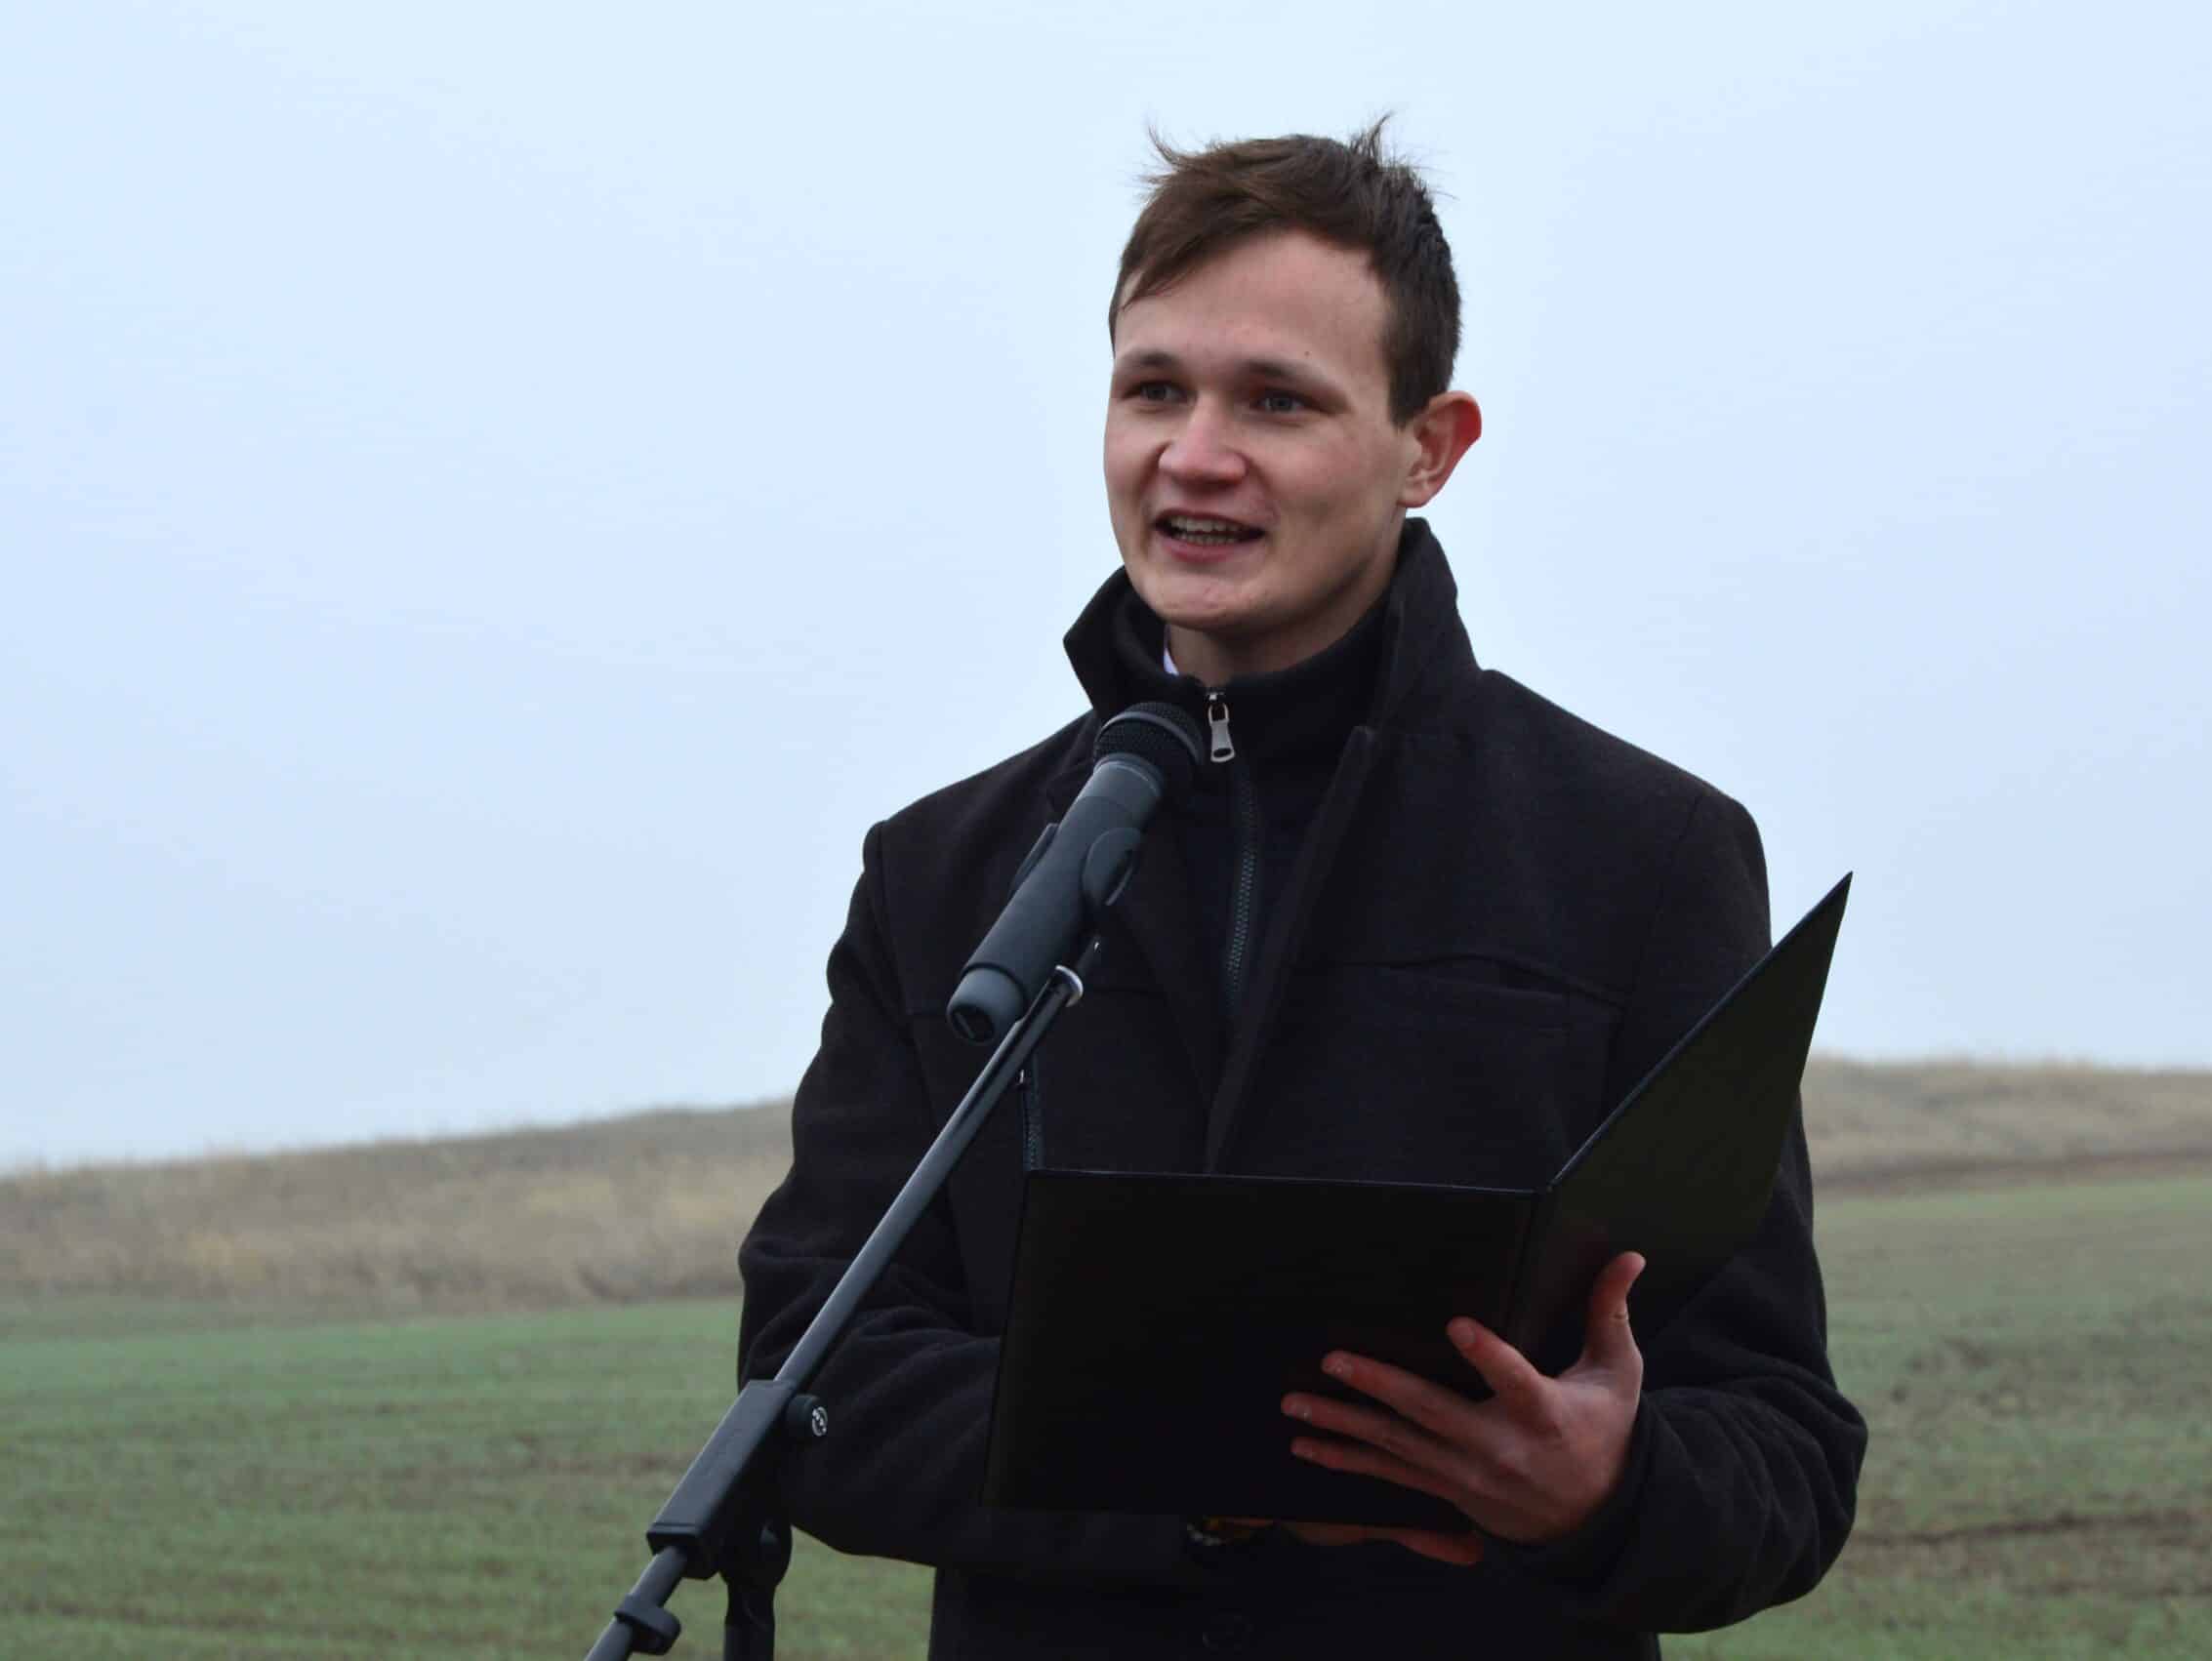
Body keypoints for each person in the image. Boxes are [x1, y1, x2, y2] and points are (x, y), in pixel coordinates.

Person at [737, 123, 1865, 1659]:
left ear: (1430, 446)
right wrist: (1204, 1474)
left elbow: (1782, 1443)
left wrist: (1610, 1487)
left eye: (1277, 399)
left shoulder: (1645, 857)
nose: (1195, 454)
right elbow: (813, 1381)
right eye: (1155, 389)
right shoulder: (940, 875)